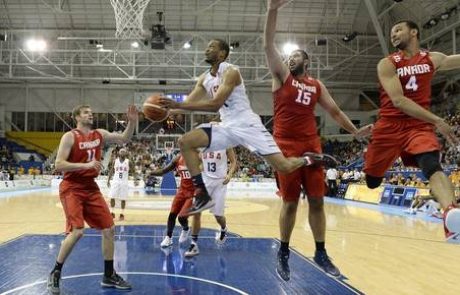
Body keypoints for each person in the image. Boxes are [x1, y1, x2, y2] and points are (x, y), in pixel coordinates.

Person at [159, 39, 338, 215]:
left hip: (247, 124)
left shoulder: (231, 72)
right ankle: (202, 194)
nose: (206, 50)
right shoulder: (204, 79)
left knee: (283, 166)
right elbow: (188, 103)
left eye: (211, 47)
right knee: (185, 142)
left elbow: (214, 104)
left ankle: (310, 159)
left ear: (222, 53)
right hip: (227, 126)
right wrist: (167, 111)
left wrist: (177, 105)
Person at [263, 0, 373, 281]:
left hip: (311, 144)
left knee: (317, 201)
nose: (291, 59)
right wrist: (272, 10)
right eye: (290, 57)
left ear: (307, 61)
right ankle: (284, 251)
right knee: (289, 203)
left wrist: (354, 132)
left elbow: (334, 111)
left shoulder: (316, 85)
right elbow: (268, 44)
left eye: (296, 56)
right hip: (285, 144)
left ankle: (320, 252)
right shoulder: (281, 76)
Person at [363, 19, 460, 241]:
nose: (393, 35)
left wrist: (431, 121)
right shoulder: (387, 64)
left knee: (432, 165)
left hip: (418, 125)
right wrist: (437, 120)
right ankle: (378, 163)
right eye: (391, 32)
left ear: (414, 32)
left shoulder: (433, 59)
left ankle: (451, 216)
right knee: (372, 182)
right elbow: (398, 101)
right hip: (389, 126)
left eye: (398, 29)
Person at [47, 104, 137, 294]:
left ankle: (108, 275)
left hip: (90, 187)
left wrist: (132, 121)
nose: (91, 114)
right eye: (86, 112)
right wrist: (86, 165)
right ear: (77, 117)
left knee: (109, 229)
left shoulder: (99, 134)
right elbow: (59, 164)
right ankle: (55, 272)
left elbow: (124, 138)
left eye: (91, 112)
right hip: (72, 187)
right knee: (78, 231)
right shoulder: (70, 136)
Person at [185, 147, 237, 257]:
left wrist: (230, 174)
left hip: (220, 183)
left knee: (218, 216)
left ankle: (223, 228)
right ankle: (193, 244)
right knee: (196, 211)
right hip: (205, 182)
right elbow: (198, 162)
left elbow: (233, 162)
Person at [151, 154, 194, 248]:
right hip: (181, 191)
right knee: (172, 214)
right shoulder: (178, 158)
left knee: (181, 218)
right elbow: (163, 171)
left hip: (192, 193)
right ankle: (168, 238)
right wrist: (151, 173)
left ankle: (186, 229)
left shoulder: (198, 157)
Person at [107, 148, 132, 221]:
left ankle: (122, 213)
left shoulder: (128, 161)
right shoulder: (115, 161)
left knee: (123, 199)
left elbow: (133, 171)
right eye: (121, 151)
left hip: (124, 182)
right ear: (119, 153)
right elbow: (111, 170)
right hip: (115, 181)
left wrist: (136, 179)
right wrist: (108, 180)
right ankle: (112, 212)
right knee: (112, 197)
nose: (123, 152)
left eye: (124, 151)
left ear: (126, 153)